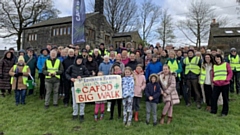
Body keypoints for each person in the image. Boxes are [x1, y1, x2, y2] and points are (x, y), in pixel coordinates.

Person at [65, 55, 90, 122]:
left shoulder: (83, 67)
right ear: (76, 60)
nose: (79, 61)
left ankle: (82, 114)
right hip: (74, 86)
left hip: (82, 86)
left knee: (82, 100)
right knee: (75, 101)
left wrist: (81, 77)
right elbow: (66, 73)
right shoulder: (71, 67)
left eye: (80, 60)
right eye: (78, 60)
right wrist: (70, 78)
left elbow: (88, 74)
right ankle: (75, 114)